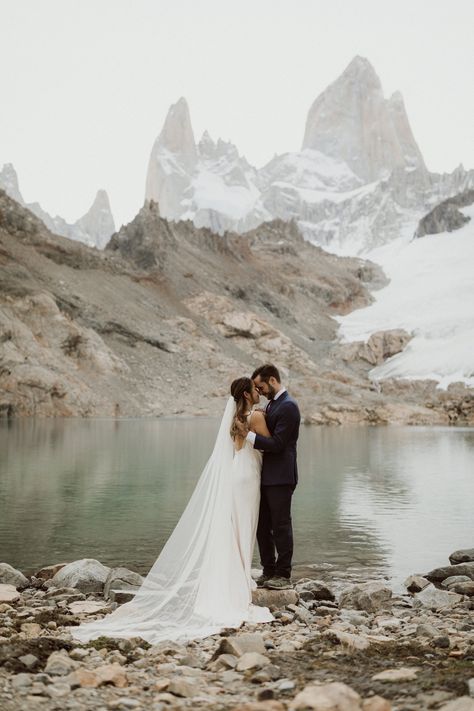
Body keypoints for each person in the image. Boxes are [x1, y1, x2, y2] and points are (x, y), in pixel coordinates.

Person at [71, 377, 273, 646]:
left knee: (235, 528)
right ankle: (239, 586)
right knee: (245, 528)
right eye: (254, 390)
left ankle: (236, 580)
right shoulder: (255, 416)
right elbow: (271, 446)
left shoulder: (235, 418)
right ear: (247, 395)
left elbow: (237, 448)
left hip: (237, 474)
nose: (258, 392)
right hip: (248, 477)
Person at [241, 364, 301, 591]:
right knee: (262, 525)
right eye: (257, 387)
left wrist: (248, 435)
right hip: (266, 476)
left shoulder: (289, 407)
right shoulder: (272, 405)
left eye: (262, 386)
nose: (260, 390)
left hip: (282, 477)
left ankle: (283, 574)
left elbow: (278, 444)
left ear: (273, 380)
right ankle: (268, 570)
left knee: (281, 525)